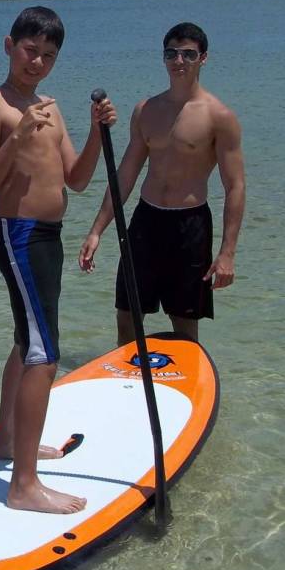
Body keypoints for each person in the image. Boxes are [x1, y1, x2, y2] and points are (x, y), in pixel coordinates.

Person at [0, 6, 116, 514]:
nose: (38, 62)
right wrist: (16, 137)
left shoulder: (49, 106)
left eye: (49, 55)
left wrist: (98, 132)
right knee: (43, 356)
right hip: (19, 235)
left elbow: (75, 178)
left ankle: (7, 443)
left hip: (48, 235)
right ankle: (23, 485)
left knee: (26, 340)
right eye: (31, 51)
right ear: (9, 46)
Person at [78, 22, 245, 346]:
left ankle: (183, 388)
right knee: (127, 316)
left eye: (188, 54)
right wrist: (97, 230)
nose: (179, 61)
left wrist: (227, 253)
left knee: (184, 323)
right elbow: (125, 175)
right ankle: (130, 382)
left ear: (203, 58)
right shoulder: (147, 110)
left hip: (190, 225)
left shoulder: (220, 117)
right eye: (171, 53)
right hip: (146, 220)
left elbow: (235, 186)